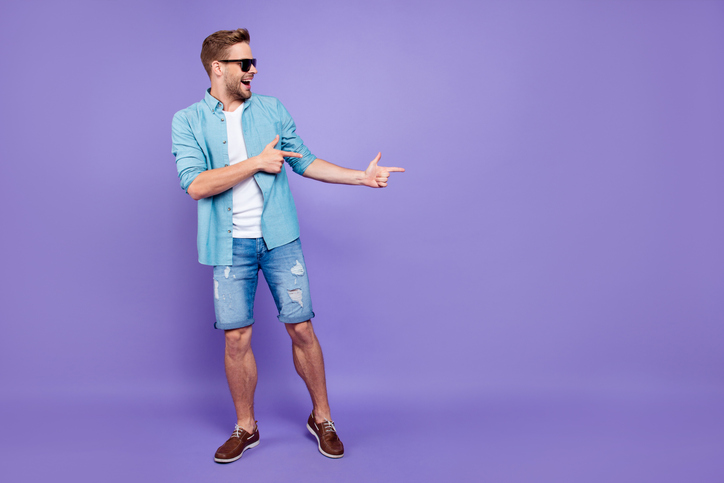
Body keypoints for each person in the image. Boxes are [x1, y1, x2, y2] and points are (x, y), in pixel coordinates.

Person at [171, 28, 404, 464]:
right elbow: (196, 185)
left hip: (279, 240)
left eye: (253, 62)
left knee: (301, 328)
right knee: (236, 338)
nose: (253, 69)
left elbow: (305, 160)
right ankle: (246, 427)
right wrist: (256, 162)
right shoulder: (188, 121)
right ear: (217, 67)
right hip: (228, 247)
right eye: (244, 63)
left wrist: (360, 176)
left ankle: (323, 418)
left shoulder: (272, 110)